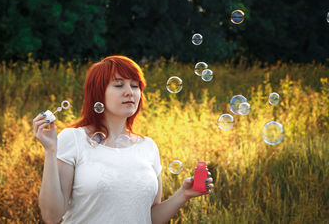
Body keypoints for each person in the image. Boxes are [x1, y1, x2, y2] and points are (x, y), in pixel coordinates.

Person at [33, 55, 214, 224]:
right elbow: (51, 216)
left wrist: (183, 194)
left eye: (135, 86)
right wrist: (50, 151)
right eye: (119, 85)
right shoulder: (74, 139)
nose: (129, 92)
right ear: (98, 93)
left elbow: (150, 216)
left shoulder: (148, 147)